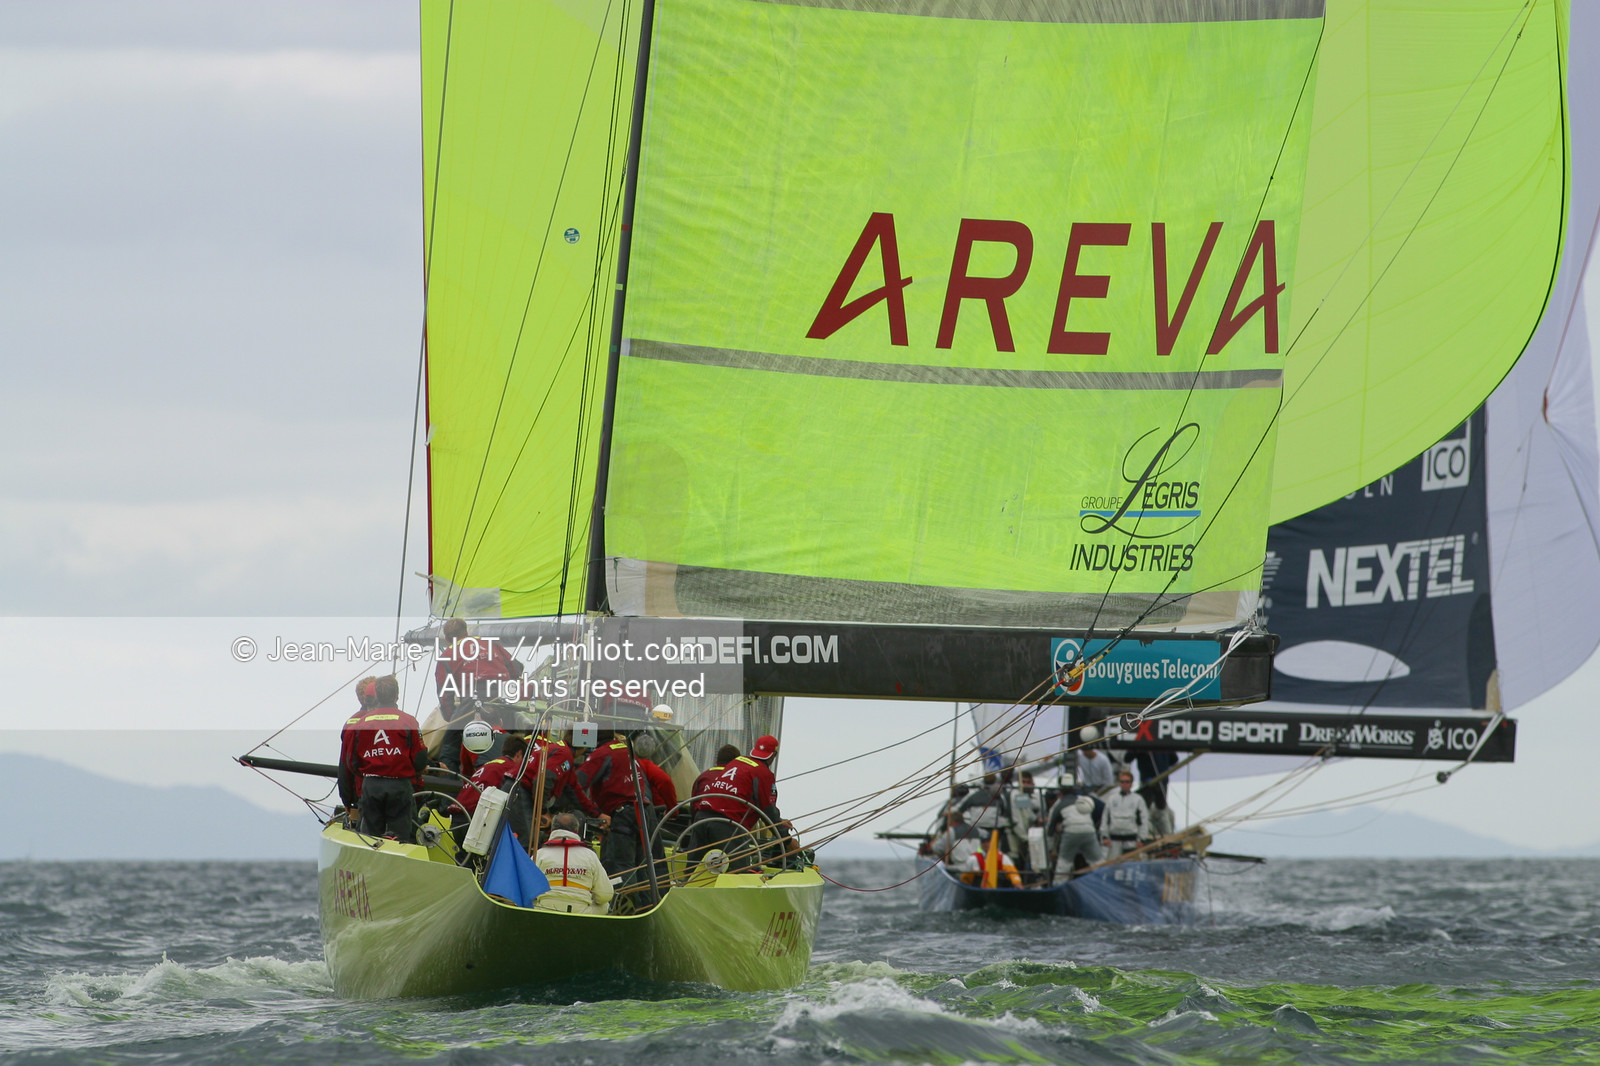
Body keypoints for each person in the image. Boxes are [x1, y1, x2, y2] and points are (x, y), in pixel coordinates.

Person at [341, 675, 427, 841]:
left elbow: (351, 761)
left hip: (371, 786)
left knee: (369, 838)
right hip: (400, 786)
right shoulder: (408, 721)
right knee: (401, 839)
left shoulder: (360, 723)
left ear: (377, 696)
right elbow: (420, 758)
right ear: (397, 696)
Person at [433, 617, 519, 773]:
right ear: (466, 631)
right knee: (517, 739)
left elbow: (445, 696)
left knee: (449, 747)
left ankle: (450, 790)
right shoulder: (490, 643)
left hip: (471, 702)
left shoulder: (447, 655)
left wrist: (454, 718)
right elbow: (515, 670)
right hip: (499, 700)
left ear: (447, 639)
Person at [694, 735, 788, 870]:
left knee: (691, 871)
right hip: (728, 826)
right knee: (740, 873)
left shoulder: (736, 762)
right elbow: (768, 812)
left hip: (701, 819)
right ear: (773, 755)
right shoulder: (764, 774)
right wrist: (787, 839)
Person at [575, 731, 647, 885]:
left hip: (622, 815)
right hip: (645, 812)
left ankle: (622, 905)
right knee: (645, 865)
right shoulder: (627, 751)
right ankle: (645, 906)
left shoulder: (601, 755)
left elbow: (575, 784)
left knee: (619, 866)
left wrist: (595, 812)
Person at [533, 812, 615, 914]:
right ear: (576, 831)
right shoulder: (590, 856)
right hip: (581, 913)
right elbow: (605, 895)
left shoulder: (539, 854)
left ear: (552, 830)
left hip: (545, 911)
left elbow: (527, 891)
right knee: (605, 905)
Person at [337, 676, 380, 815]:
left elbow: (344, 765)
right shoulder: (386, 721)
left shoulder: (350, 723)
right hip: (386, 792)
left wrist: (347, 800)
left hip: (360, 794)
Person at [1044, 790, 1104, 876]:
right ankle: (1103, 881)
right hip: (1089, 831)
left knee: (1064, 864)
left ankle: (1058, 883)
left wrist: (1049, 849)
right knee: (1097, 862)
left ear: (1060, 795)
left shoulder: (1059, 805)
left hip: (1071, 833)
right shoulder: (1084, 801)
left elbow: (1050, 829)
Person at [1102, 768, 1151, 858]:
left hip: (1131, 840)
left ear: (1131, 783)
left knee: (1131, 866)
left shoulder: (1138, 800)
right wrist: (1104, 836)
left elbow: (1144, 820)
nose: (1124, 784)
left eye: (1127, 782)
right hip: (1114, 840)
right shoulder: (1112, 799)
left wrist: (1142, 839)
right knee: (1113, 866)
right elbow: (1105, 818)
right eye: (1122, 782)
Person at [1006, 770, 1042, 870]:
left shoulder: (1031, 797)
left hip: (1027, 834)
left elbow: (1027, 815)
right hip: (1016, 835)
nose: (1025, 785)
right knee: (1015, 858)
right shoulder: (1018, 795)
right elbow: (1017, 819)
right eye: (1023, 782)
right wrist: (1025, 838)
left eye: (1028, 782)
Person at [1075, 726, 1115, 792]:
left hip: (1101, 790)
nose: (1085, 753)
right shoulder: (1080, 757)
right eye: (1083, 751)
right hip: (1087, 789)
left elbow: (1109, 781)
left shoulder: (1103, 760)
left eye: (1086, 751)